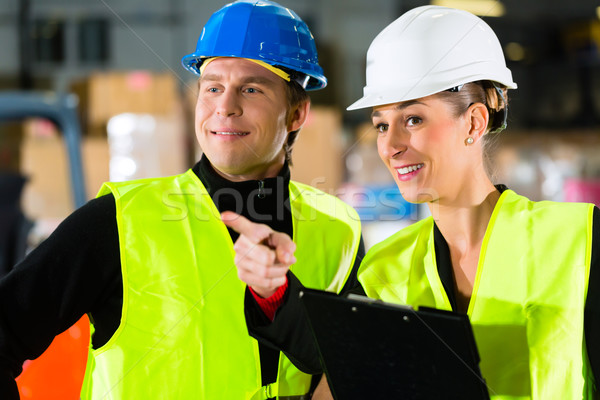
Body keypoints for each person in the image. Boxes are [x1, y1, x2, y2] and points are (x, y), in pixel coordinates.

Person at [0, 1, 364, 399]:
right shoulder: (120, 221)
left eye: (251, 88)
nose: (225, 107)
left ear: (297, 114)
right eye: (212, 88)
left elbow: (354, 366)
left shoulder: (338, 228)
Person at [242, 4, 600, 399]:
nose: (391, 146)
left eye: (413, 119)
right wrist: (272, 288)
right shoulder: (386, 268)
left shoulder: (578, 239)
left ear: (474, 122)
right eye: (381, 125)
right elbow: (342, 383)